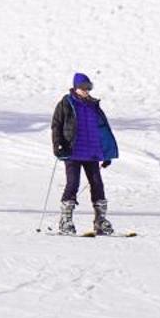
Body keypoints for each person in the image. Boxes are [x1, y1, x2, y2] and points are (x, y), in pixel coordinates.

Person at [52, 73, 120, 236]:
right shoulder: (66, 103)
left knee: (97, 184)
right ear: (75, 87)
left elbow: (103, 130)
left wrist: (107, 153)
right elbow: (56, 125)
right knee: (73, 183)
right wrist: (58, 145)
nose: (86, 91)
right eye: (84, 87)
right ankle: (66, 220)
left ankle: (100, 221)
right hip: (73, 151)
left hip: (92, 153)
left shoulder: (93, 105)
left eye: (89, 87)